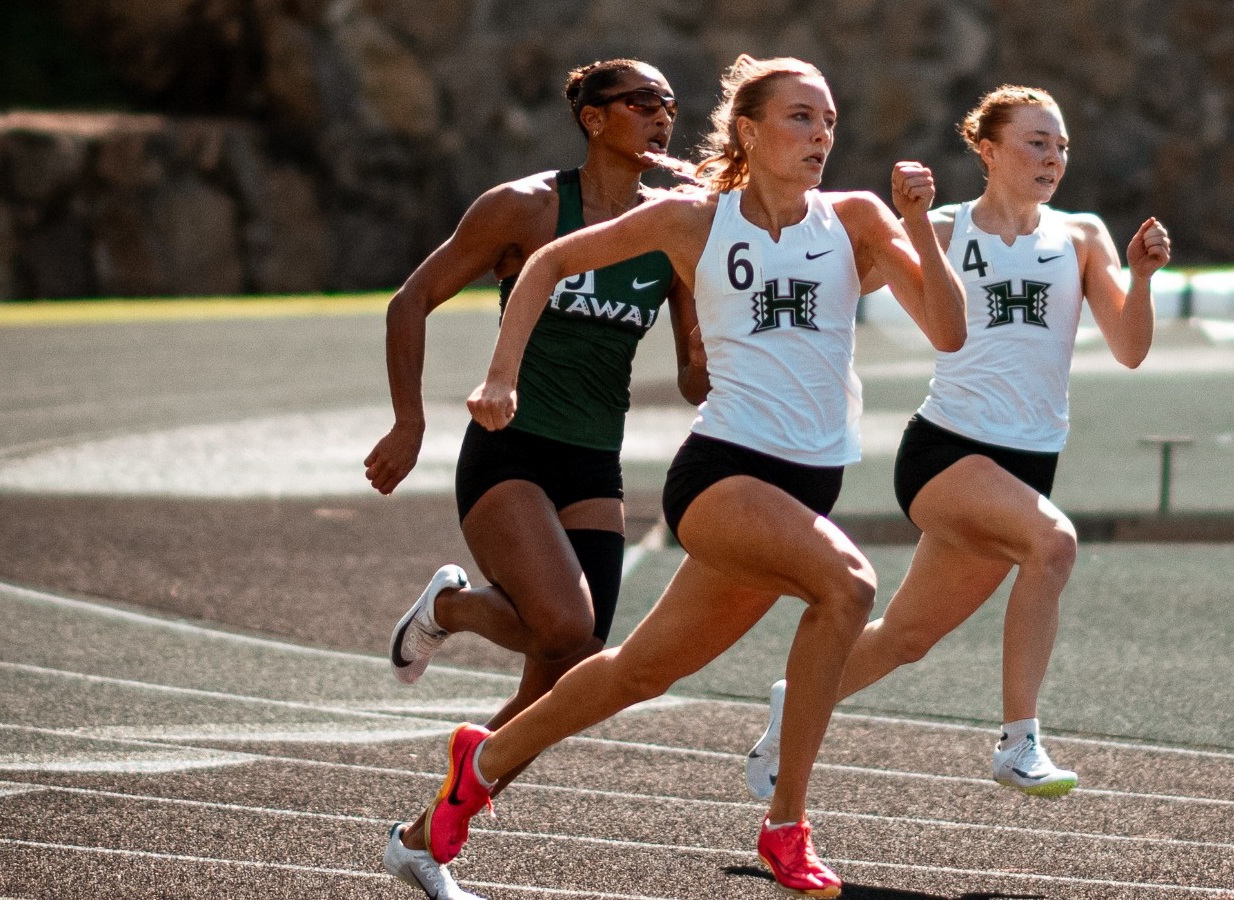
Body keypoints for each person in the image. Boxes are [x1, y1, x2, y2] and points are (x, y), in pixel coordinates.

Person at [386, 54, 966, 899]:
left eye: (830, 121)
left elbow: (948, 332)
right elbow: (546, 265)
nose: (820, 136)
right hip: (724, 475)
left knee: (634, 673)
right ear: (750, 130)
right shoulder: (693, 222)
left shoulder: (857, 219)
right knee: (848, 588)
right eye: (800, 117)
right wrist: (502, 373)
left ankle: (477, 770)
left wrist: (916, 224)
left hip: (807, 486)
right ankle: (787, 827)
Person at [742, 85, 1171, 803]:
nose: (1053, 157)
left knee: (906, 639)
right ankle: (1019, 741)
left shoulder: (1083, 236)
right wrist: (900, 221)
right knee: (1054, 546)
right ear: (988, 148)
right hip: (945, 454)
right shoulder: (940, 228)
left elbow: (1130, 348)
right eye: (1036, 142)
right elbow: (841, 284)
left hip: (1029, 463)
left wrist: (1146, 278)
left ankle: (796, 705)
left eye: (1061, 146)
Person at [363, 58, 705, 900]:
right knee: (565, 621)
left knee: (575, 664)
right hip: (508, 449)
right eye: (643, 104)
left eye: (670, 105)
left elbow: (695, 372)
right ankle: (450, 609)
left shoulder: (678, 224)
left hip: (593, 459)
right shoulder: (527, 207)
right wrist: (410, 423)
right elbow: (410, 301)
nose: (663, 118)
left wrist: (727, 342)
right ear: (593, 119)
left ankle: (426, 834)